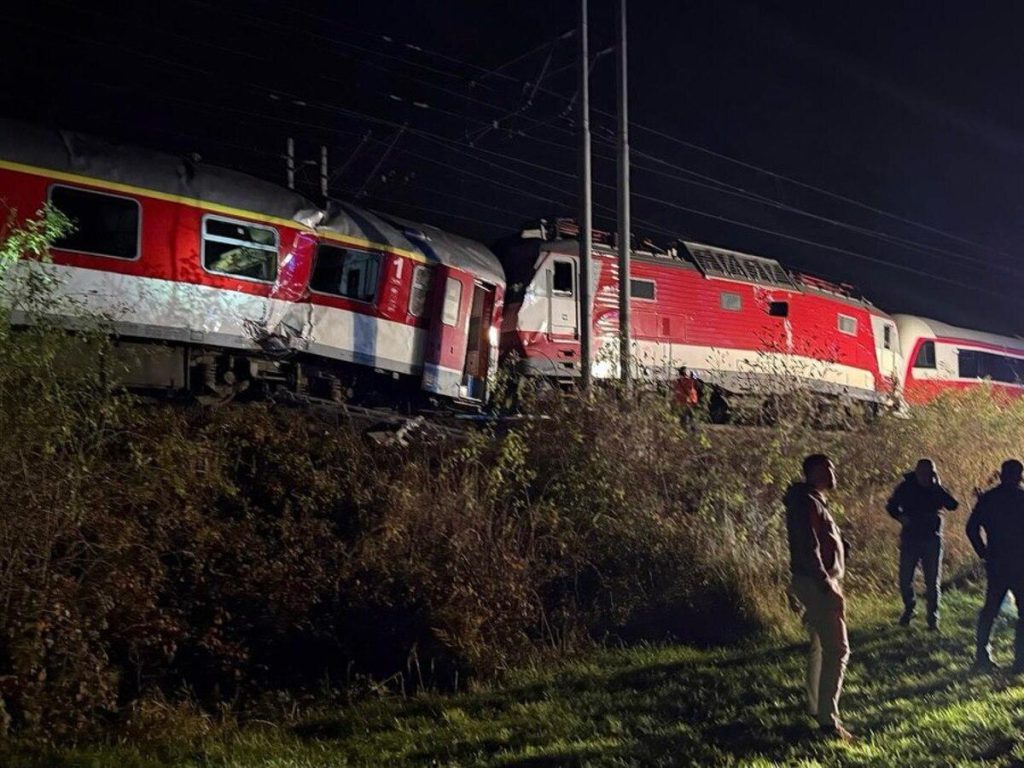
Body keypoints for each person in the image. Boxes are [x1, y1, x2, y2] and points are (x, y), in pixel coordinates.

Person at [784, 454, 853, 741]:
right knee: (838, 649)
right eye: (826, 468)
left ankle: (816, 708)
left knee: (820, 647)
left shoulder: (813, 500)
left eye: (832, 467)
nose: (832, 473)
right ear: (812, 472)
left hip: (817, 580)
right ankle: (828, 721)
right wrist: (826, 584)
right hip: (818, 583)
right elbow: (807, 546)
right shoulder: (806, 503)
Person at [886, 458, 959, 630]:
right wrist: (900, 517)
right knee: (905, 579)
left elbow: (953, 505)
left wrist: (937, 487)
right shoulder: (906, 487)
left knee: (932, 582)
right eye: (923, 472)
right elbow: (891, 506)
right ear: (917, 472)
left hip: (932, 538)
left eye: (930, 472)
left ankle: (933, 618)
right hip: (910, 538)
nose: (926, 476)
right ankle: (909, 608)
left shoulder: (936, 488)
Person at [966, 459, 1024, 672]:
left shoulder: (989, 499)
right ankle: (1020, 660)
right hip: (1020, 563)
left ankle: (982, 656)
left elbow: (971, 528)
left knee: (990, 610)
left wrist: (984, 553)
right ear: (1020, 476)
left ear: (1001, 474)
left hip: (997, 562)